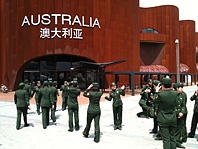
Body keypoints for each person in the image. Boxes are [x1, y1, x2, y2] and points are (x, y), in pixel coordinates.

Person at [154, 78, 178, 149]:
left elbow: (155, 101)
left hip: (163, 119)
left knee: (166, 139)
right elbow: (176, 103)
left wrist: (156, 91)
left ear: (163, 85)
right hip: (173, 118)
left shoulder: (161, 95)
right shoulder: (175, 93)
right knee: (172, 138)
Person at [173, 82, 188, 148]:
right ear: (176, 88)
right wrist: (177, 112)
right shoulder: (172, 95)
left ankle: (179, 140)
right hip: (174, 114)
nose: (181, 89)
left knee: (181, 126)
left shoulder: (183, 94)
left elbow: (183, 105)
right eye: (180, 88)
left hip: (182, 114)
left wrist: (182, 112)